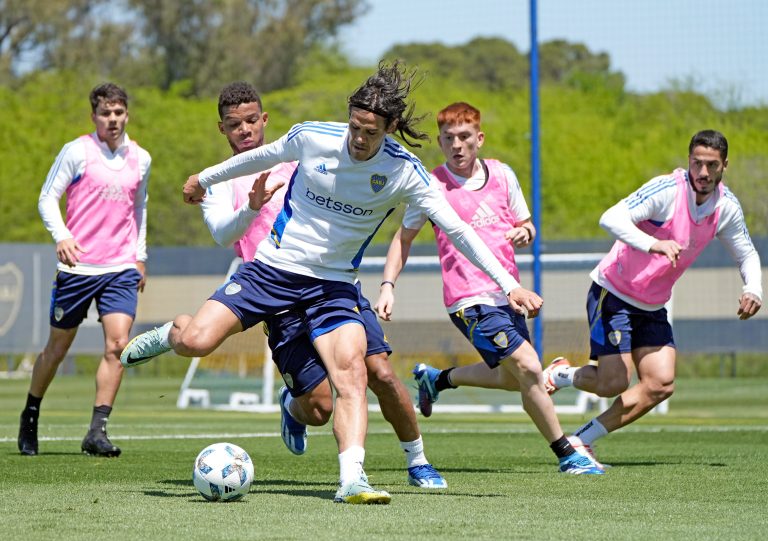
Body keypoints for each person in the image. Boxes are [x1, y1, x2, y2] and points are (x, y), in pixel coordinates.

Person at [122, 61, 542, 504]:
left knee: (354, 373)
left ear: (390, 128)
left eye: (371, 132)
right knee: (196, 342)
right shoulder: (314, 137)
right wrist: (203, 179)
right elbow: (264, 155)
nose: (360, 139)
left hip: (333, 286)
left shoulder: (406, 172)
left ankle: (353, 479)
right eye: (355, 127)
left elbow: (459, 230)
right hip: (271, 271)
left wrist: (508, 284)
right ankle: (172, 333)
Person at [197, 81, 446, 489]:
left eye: (250, 121)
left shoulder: (301, 155)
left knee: (379, 371)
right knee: (318, 408)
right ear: (221, 129)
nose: (244, 130)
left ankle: (417, 460)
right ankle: (293, 410)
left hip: (332, 284)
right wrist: (251, 207)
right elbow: (224, 235)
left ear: (264, 120)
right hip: (274, 288)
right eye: (233, 124)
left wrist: (385, 283)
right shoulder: (225, 179)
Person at [375, 102, 603, 475]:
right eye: (449, 139)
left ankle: (437, 379)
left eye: (465, 137)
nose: (457, 145)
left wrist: (524, 232)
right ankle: (568, 454)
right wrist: (387, 286)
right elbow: (403, 239)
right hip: (468, 299)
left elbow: (526, 224)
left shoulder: (501, 175)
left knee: (512, 379)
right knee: (530, 367)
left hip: (507, 294)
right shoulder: (430, 185)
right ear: (440, 141)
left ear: (479, 139)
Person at [541, 129, 762, 464]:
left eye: (711, 166)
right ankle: (562, 375)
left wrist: (753, 288)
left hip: (653, 304)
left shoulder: (726, 208)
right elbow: (610, 217)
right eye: (697, 163)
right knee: (613, 381)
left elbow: (746, 254)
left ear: (724, 167)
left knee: (660, 383)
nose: (703, 173)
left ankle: (582, 439)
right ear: (688, 160)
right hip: (613, 293)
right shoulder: (668, 192)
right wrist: (652, 243)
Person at [18, 83, 151, 457]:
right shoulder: (76, 152)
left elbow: (139, 209)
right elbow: (47, 197)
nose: (113, 119)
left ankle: (97, 431)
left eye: (119, 113)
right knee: (57, 348)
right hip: (77, 267)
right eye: (106, 113)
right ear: (94, 116)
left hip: (120, 267)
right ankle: (30, 413)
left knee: (118, 345)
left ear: (127, 115)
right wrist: (61, 236)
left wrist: (139, 256)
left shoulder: (141, 158)